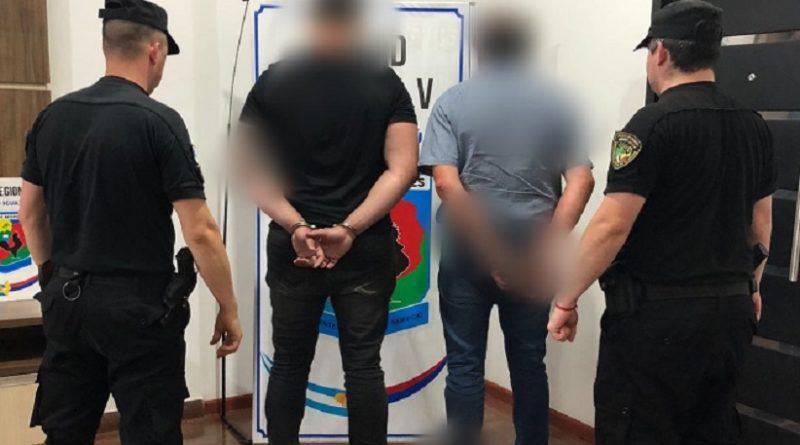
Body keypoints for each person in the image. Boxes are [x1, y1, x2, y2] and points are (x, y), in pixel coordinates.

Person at [547, 1, 777, 443]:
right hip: (728, 315)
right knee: (711, 429)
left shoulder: (650, 125)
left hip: (658, 322)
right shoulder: (754, 126)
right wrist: (751, 287)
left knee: (638, 429)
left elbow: (611, 227)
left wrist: (565, 299)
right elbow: (761, 226)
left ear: (660, 52)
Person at [19, 1, 243, 443]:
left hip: (67, 300)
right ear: (154, 51)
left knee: (65, 432)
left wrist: (50, 277)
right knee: (150, 433)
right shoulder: (159, 122)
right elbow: (200, 231)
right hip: (138, 309)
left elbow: (30, 212)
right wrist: (228, 307)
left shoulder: (53, 117)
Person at [236, 0, 419, 444]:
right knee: (363, 366)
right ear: (355, 23)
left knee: (289, 362)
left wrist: (297, 227)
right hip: (364, 245)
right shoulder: (385, 84)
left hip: (293, 247)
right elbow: (403, 169)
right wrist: (350, 229)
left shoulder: (274, 83)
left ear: (315, 21)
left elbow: (249, 167)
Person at [419, 12, 595, 445]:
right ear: (524, 49)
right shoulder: (556, 103)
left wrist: (492, 252)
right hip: (532, 241)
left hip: (468, 243)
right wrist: (543, 250)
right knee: (529, 363)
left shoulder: (452, 102)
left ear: (481, 49)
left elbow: (446, 183)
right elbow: (582, 180)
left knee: (464, 364)